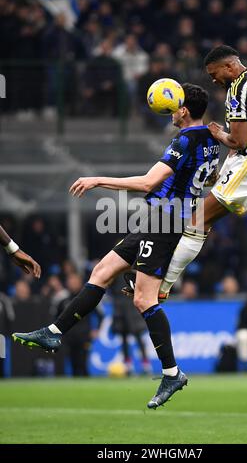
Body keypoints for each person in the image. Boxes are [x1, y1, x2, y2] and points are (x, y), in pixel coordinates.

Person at [13, 83, 220, 409]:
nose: (168, 112)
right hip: (162, 220)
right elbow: (207, 168)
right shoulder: (210, 137)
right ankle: (54, 332)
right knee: (103, 269)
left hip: (166, 225)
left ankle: (172, 372)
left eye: (173, 106)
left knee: (143, 298)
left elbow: (147, 182)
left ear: (182, 108)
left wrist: (98, 180)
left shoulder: (186, 139)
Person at [154, 44, 247, 300]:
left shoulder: (238, 91)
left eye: (215, 73)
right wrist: (223, 170)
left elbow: (239, 142)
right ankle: (164, 281)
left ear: (229, 66)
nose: (213, 79)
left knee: (197, 220)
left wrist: (218, 133)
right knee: (202, 221)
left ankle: (163, 285)